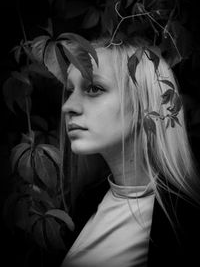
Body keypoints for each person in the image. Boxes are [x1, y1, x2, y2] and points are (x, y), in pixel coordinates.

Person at [60, 37, 200, 267]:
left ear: (144, 103)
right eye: (70, 91)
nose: (68, 106)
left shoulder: (186, 222)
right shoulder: (84, 203)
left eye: (94, 88)